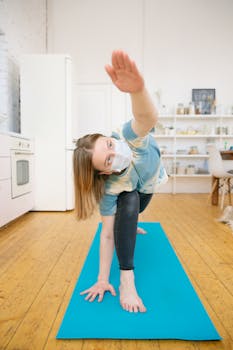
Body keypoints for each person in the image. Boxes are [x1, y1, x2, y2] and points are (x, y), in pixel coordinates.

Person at [73, 50, 167, 313]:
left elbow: (146, 118)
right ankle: (128, 279)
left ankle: (130, 222)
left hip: (148, 189)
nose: (116, 153)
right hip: (132, 195)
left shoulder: (126, 136)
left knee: (136, 203)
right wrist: (103, 280)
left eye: (110, 145)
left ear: (110, 137)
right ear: (103, 173)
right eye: (108, 160)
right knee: (129, 200)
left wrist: (137, 91)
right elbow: (105, 236)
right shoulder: (109, 188)